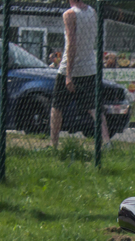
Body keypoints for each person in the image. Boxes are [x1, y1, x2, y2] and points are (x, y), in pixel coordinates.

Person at [51, 0, 109, 148]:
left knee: (57, 107)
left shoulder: (69, 14)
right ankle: (107, 142)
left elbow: (71, 43)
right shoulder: (92, 12)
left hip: (69, 67)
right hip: (89, 67)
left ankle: (54, 145)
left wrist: (68, 75)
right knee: (95, 108)